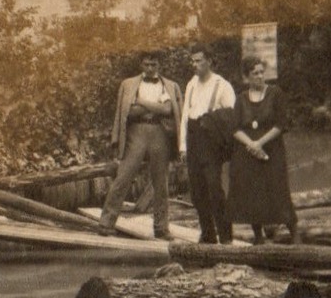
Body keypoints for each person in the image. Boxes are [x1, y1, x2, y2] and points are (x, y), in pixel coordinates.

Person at [99, 52, 181, 239]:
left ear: (159, 64)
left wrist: (142, 103)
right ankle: (105, 224)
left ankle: (161, 228)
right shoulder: (128, 84)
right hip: (136, 133)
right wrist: (155, 107)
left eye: (154, 64)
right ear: (141, 65)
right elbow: (129, 112)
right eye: (146, 64)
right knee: (124, 176)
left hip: (159, 133)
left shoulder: (169, 85)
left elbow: (168, 109)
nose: (150, 68)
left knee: (161, 183)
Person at [227, 57, 298, 244]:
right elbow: (234, 128)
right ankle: (258, 238)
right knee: (252, 192)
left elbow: (281, 125)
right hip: (248, 152)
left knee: (279, 190)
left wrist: (260, 143)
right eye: (255, 73)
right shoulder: (241, 98)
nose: (260, 76)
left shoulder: (275, 93)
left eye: (261, 72)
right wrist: (251, 144)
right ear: (247, 77)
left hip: (271, 151)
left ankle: (295, 235)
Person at [178, 46, 236, 244]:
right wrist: (183, 147)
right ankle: (208, 234)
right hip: (194, 138)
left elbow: (231, 118)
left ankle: (226, 236)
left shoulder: (223, 85)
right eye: (192, 61)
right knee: (197, 191)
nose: (194, 65)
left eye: (198, 61)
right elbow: (185, 115)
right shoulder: (191, 84)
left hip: (211, 141)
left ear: (209, 61)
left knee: (214, 188)